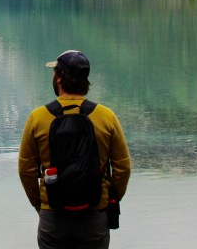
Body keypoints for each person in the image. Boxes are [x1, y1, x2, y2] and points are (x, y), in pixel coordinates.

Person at [18, 50, 131, 249]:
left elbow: (26, 171)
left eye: (55, 72)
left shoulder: (38, 118)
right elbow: (123, 168)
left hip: (53, 217)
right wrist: (108, 200)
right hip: (95, 216)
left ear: (59, 78)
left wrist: (42, 205)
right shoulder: (107, 117)